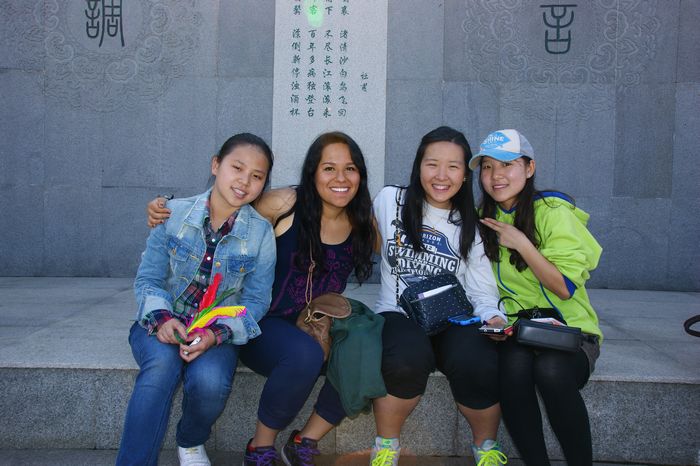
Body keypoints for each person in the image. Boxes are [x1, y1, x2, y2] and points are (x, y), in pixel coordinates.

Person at [147, 131, 376, 466]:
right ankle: (260, 448)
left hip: (314, 323)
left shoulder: (363, 221)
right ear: (312, 172)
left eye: (350, 169)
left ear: (360, 175)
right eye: (329, 168)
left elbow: (408, 238)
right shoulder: (284, 204)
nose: (340, 178)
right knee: (305, 354)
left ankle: (304, 440)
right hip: (260, 322)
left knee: (368, 346)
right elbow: (222, 210)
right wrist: (163, 207)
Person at [116, 133, 277, 466]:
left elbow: (257, 301)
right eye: (237, 168)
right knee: (160, 370)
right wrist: (162, 319)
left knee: (210, 382)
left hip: (215, 330)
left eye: (257, 176)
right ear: (216, 165)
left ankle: (190, 440)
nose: (244, 182)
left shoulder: (261, 234)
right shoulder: (172, 214)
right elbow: (148, 280)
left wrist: (215, 334)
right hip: (161, 321)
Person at [370, 126, 508, 466]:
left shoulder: (473, 225)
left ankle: (486, 448)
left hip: (453, 316)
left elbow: (481, 289)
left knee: (477, 360)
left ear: (465, 175)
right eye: (432, 164)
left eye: (453, 166)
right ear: (418, 166)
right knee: (405, 358)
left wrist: (493, 316)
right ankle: (386, 446)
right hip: (398, 312)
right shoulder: (390, 200)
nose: (441, 176)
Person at [472, 129, 603, 465]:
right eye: (487, 167)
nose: (496, 175)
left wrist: (522, 243)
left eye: (507, 165)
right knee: (512, 368)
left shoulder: (553, 211)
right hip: (519, 330)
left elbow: (564, 287)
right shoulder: (480, 218)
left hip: (570, 332)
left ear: (529, 168)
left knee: (550, 370)